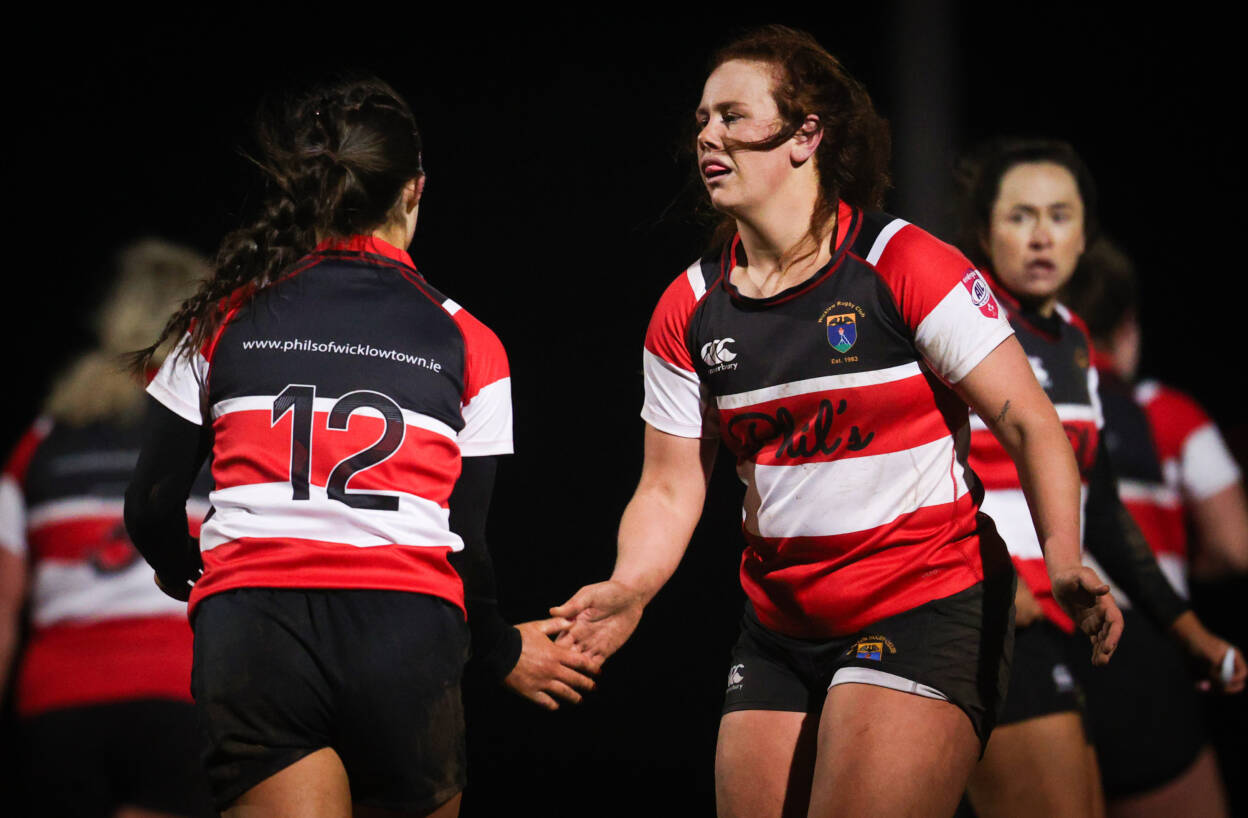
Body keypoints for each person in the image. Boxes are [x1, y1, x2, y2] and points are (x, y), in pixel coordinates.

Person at [552, 27, 1122, 818]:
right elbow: (669, 485)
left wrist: (1062, 561)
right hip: (780, 627)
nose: (708, 136)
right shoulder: (687, 308)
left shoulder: (901, 264)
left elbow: (1030, 423)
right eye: (701, 120)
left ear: (806, 136)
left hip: (923, 604)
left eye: (733, 116)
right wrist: (630, 586)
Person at [123, 75, 595, 817]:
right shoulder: (471, 342)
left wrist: (185, 569)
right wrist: (502, 650)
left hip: (257, 629)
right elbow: (464, 545)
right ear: (413, 189)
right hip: (405, 638)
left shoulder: (224, 315)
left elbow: (151, 502)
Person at [953, 138, 1245, 818]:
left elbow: (1102, 512)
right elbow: (910, 467)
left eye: (1060, 214)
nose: (1041, 234)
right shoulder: (957, 319)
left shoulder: (1075, 340)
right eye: (1020, 216)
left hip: (1058, 623)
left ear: (1085, 235)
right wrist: (989, 572)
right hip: (980, 621)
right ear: (983, 231)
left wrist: (1189, 632)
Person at [0, 239, 215, 818]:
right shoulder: (213, 434)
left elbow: (1, 612)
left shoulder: (42, 439)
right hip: (177, 693)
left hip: (56, 708)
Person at [1060, 237, 1246, 816]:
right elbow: (1236, 548)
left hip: (1043, 650)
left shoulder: (1021, 408)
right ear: (1129, 325)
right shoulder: (1169, 413)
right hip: (1143, 659)